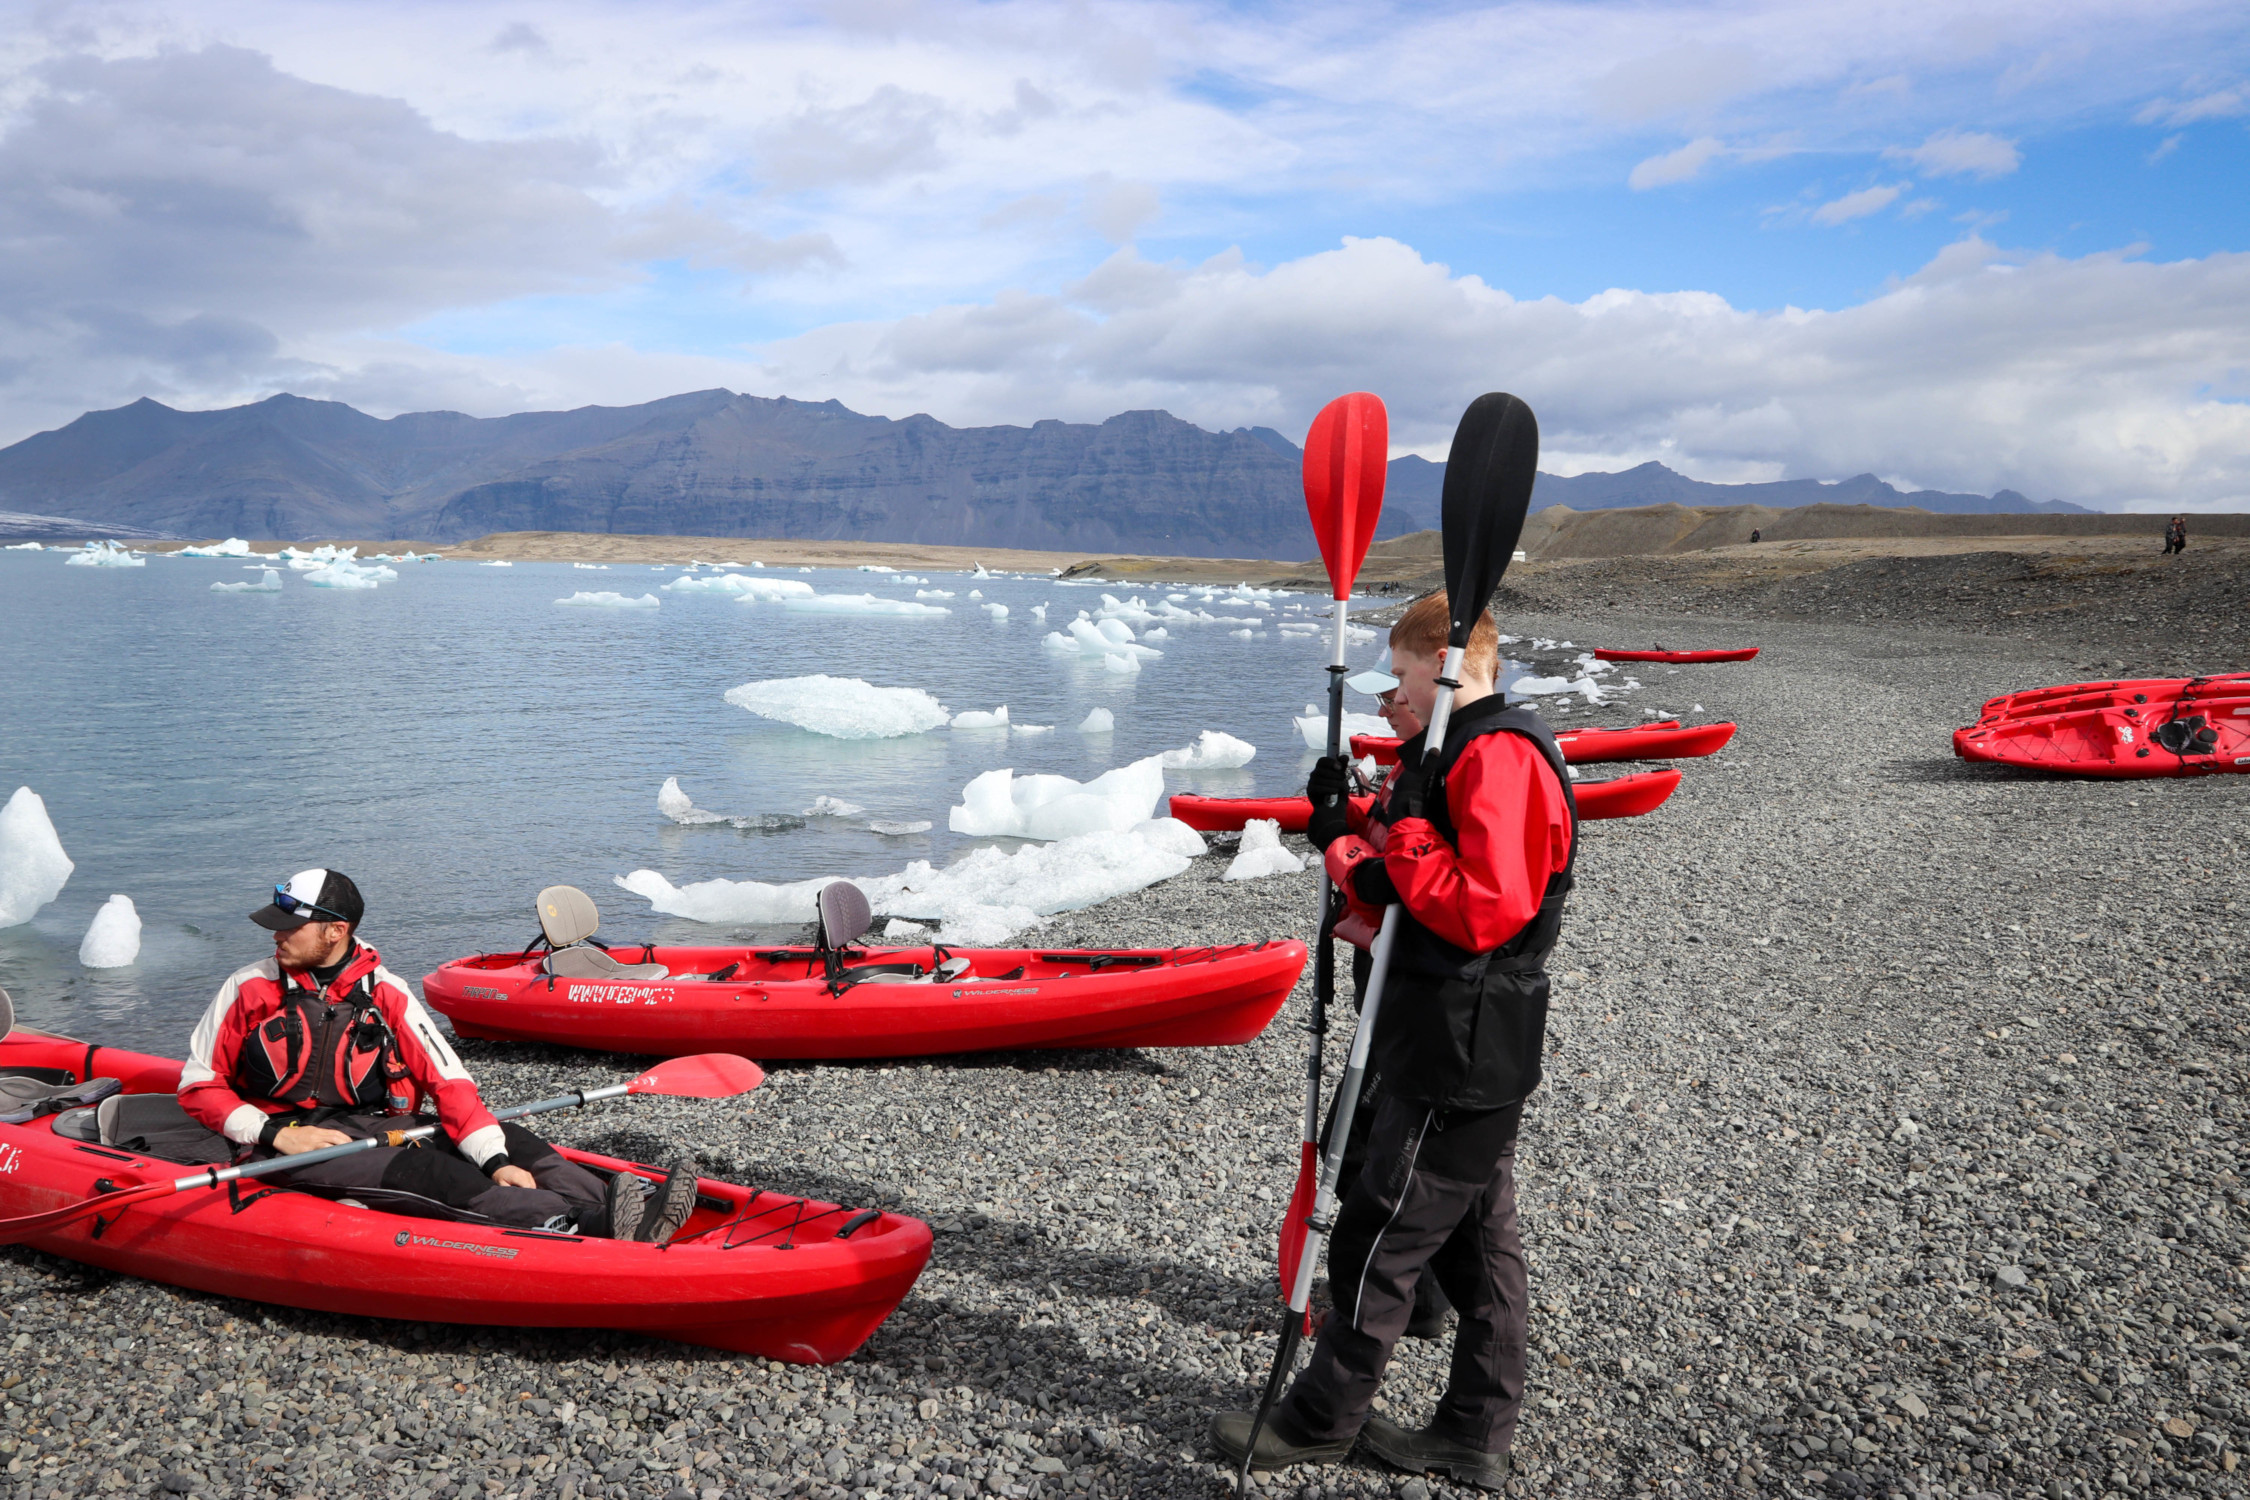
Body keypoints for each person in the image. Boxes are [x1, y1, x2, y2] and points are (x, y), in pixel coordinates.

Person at [1214, 591, 1576, 1492]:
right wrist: (1344, 823)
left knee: (1382, 1234)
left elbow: (1484, 908)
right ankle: (1474, 1432)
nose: (1398, 691)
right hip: (1455, 1031)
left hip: (1461, 1035)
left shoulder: (1498, 754)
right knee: (1476, 1242)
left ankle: (1319, 1420)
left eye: (1405, 673)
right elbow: (1417, 856)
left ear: (1444, 666)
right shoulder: (1460, 749)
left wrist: (1394, 842)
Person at [180, 868, 696, 1242]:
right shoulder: (248, 988)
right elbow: (198, 1085)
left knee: (509, 1139)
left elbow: (450, 1084)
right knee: (433, 1173)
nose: (276, 935)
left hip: (372, 1125)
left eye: (289, 926)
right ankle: (582, 1224)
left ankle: (625, 1205)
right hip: (281, 1143)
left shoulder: (386, 992)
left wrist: (494, 1159)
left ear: (336, 931)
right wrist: (275, 1134)